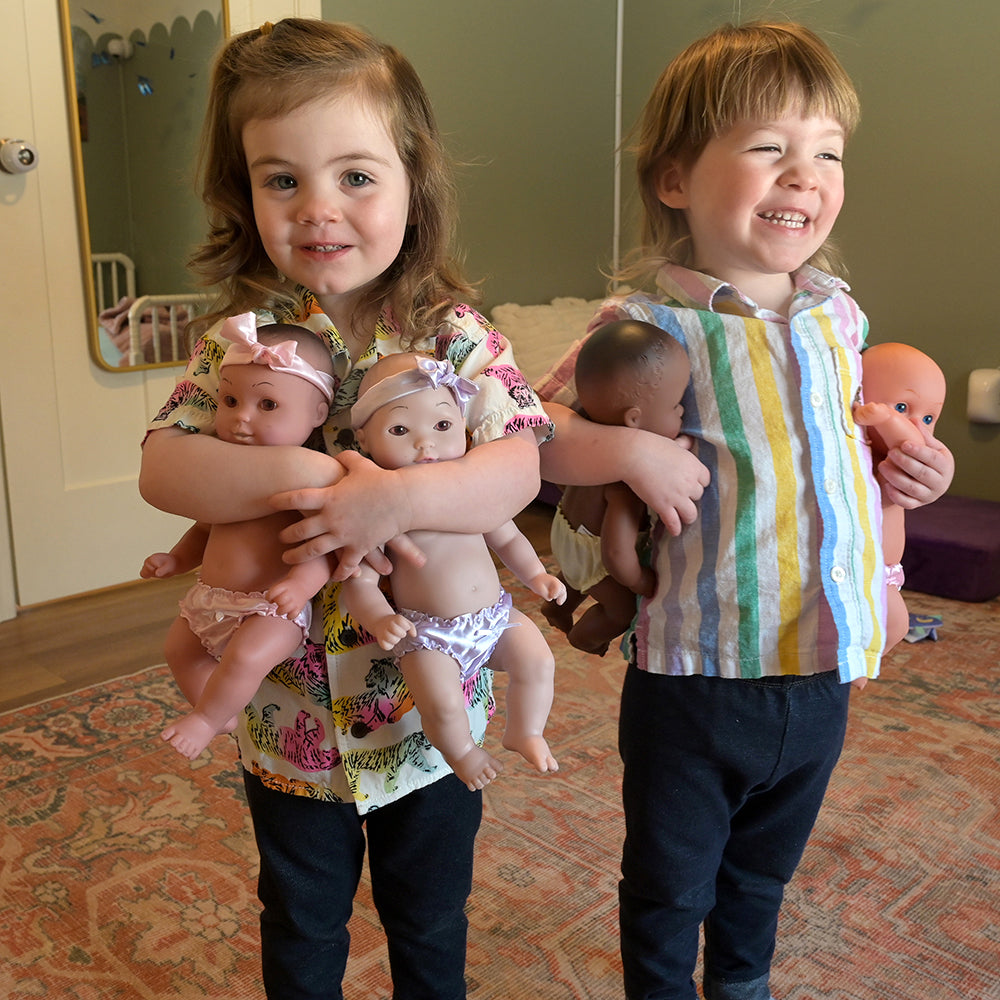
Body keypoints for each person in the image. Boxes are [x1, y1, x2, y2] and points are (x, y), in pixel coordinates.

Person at [136, 19, 708, 1000]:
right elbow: (166, 469)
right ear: (245, 194)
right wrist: (316, 490)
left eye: (355, 176)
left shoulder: (458, 338)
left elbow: (518, 469)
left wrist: (395, 498)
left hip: (429, 717)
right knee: (300, 914)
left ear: (413, 181)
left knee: (430, 913)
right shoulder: (239, 343)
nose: (320, 208)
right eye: (283, 180)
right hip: (288, 722)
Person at [534, 21, 955, 1000]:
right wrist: (629, 447)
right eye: (770, 148)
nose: (803, 176)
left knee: (763, 868)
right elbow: (532, 430)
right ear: (675, 177)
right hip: (696, 669)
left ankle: (741, 982)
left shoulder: (837, 314)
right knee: (669, 882)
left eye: (826, 154)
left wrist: (910, 472)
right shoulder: (647, 325)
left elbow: (848, 445)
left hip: (820, 664)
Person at [343, 352, 566, 790]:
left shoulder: (469, 493)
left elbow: (509, 538)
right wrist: (379, 617)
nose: (425, 445)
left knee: (538, 660)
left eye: (442, 427)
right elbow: (360, 579)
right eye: (400, 430)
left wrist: (537, 575)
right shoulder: (378, 508)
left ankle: (526, 730)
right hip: (430, 637)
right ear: (364, 441)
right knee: (442, 706)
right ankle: (462, 751)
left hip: (494, 619)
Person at [141, 316, 336, 760]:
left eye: (267, 406)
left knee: (246, 658)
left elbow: (323, 545)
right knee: (178, 648)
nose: (241, 419)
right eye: (229, 400)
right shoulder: (228, 473)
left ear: (318, 414)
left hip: (269, 608)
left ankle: (207, 719)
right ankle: (221, 712)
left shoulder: (303, 484)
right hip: (208, 600)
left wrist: (298, 586)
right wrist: (175, 560)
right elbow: (205, 526)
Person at [541, 319, 690, 655]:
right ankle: (585, 637)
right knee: (620, 607)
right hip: (597, 552)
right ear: (634, 419)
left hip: (567, 532)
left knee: (580, 575)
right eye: (675, 405)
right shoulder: (624, 483)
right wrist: (639, 581)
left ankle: (557, 607)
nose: (682, 410)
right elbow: (615, 553)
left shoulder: (587, 428)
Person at [853, 342, 947, 651]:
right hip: (861, 569)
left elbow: (916, 445)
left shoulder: (895, 464)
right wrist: (885, 419)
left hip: (888, 573)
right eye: (903, 408)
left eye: (929, 419)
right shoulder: (869, 463)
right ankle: (855, 665)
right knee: (878, 623)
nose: (917, 427)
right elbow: (906, 440)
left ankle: (864, 664)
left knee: (895, 626)